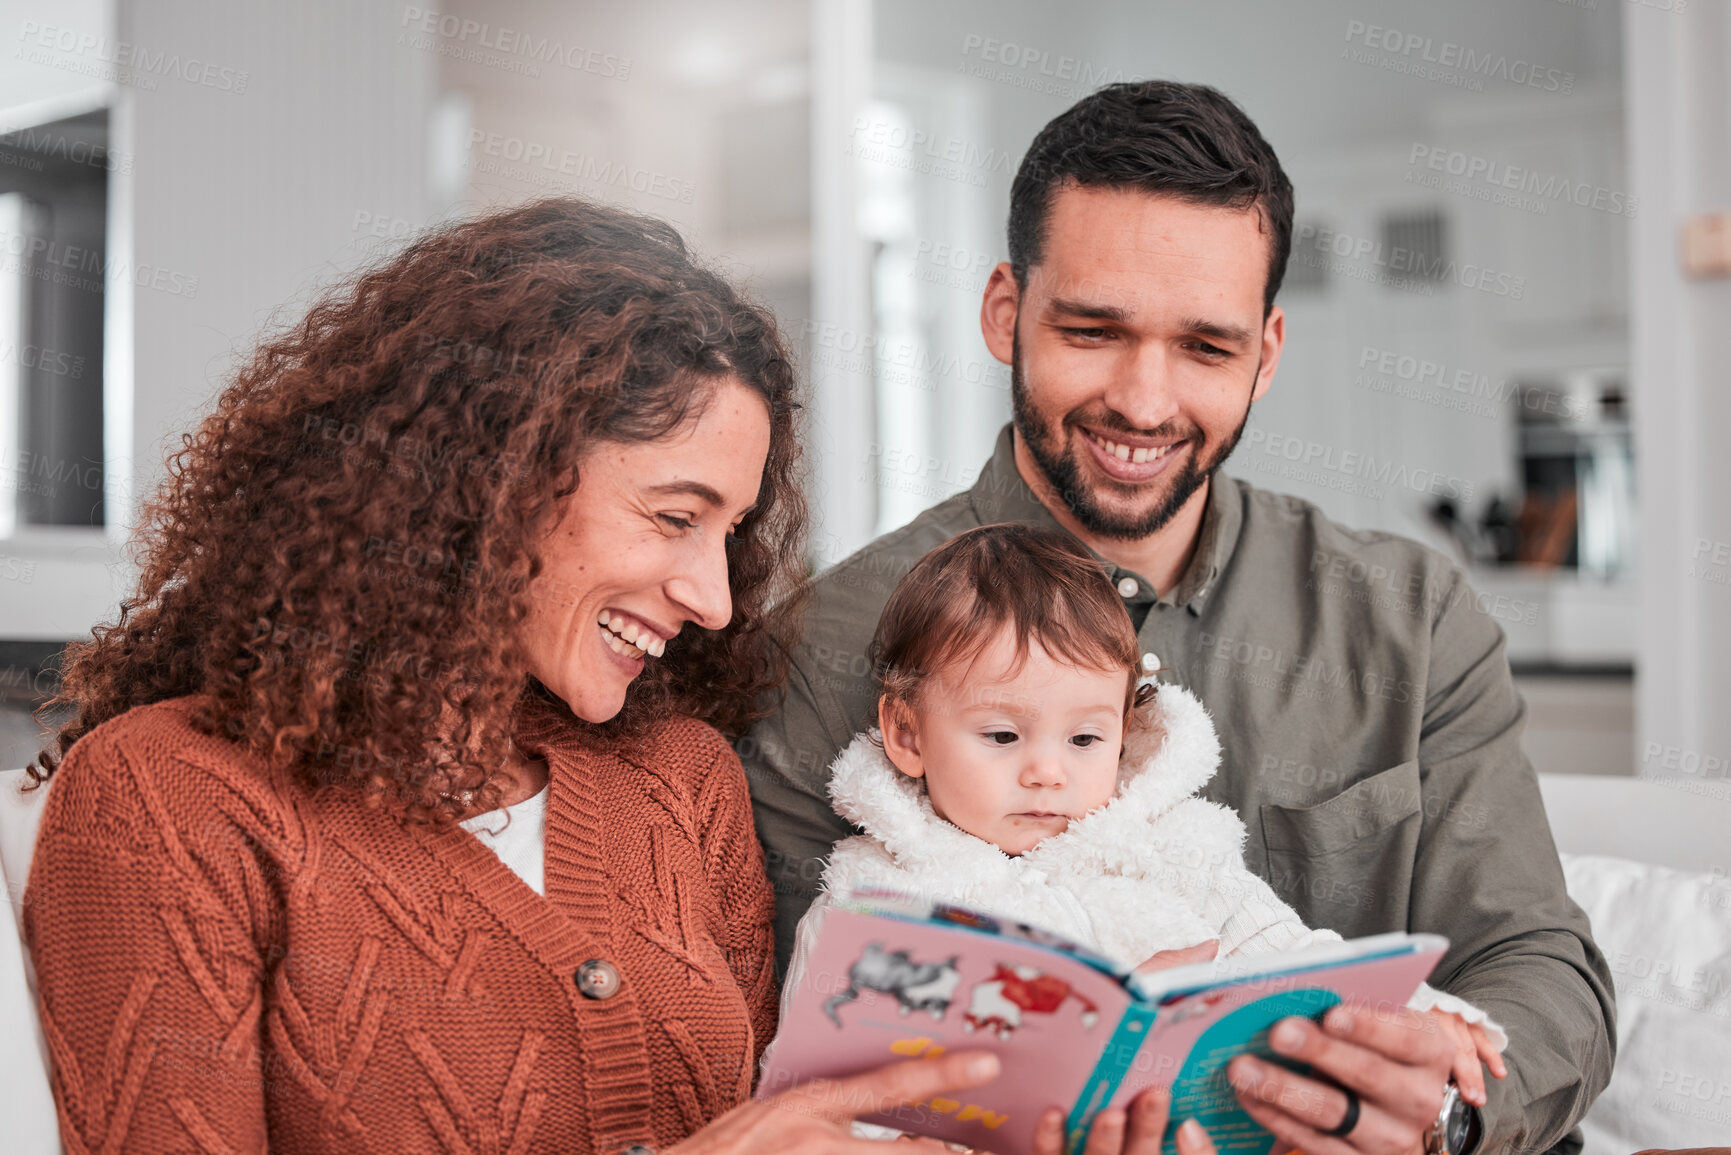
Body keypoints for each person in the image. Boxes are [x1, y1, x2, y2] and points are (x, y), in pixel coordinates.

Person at [21, 196, 1173, 1155]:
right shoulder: (163, 807)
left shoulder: (680, 783)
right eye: (675, 516)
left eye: (730, 535)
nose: (717, 598)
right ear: (484, 481)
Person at [743, 82, 1616, 1155]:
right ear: (1003, 312)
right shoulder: (814, 650)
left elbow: (1539, 965)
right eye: (1095, 330)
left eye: (1206, 348)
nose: (1146, 403)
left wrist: (1445, 1113)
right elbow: (782, 1058)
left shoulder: (1412, 622)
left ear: (1268, 350)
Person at [766, 523, 1508, 1147]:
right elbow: (801, 1109)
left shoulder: (1170, 848)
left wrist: (1428, 1019)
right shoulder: (871, 902)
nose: (1047, 772)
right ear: (906, 733)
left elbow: (1300, 959)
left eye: (1086, 738)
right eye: (1001, 734)